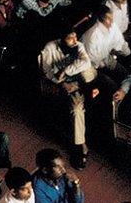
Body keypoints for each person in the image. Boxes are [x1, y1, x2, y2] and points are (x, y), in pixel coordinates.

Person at [40, 28, 93, 167]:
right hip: (58, 85)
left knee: (89, 73)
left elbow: (86, 63)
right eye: (71, 38)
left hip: (76, 82)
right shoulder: (50, 48)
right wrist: (62, 83)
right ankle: (80, 145)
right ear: (62, 39)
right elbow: (48, 73)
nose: (75, 40)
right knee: (76, 110)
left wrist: (66, 70)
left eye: (76, 36)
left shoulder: (78, 45)